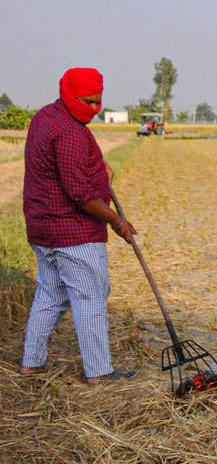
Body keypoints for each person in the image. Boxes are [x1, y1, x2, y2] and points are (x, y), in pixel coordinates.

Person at [20, 67, 138, 384]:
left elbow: (69, 164)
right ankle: (99, 373)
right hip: (72, 233)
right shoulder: (70, 132)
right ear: (68, 94)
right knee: (89, 298)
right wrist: (117, 221)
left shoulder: (47, 116)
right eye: (87, 101)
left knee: (51, 293)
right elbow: (81, 195)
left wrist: (100, 166)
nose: (93, 109)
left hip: (42, 227)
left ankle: (31, 362)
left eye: (98, 102)